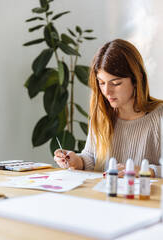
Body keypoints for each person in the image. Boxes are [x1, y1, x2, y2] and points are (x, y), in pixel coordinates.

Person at [54, 39, 163, 178]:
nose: (107, 91)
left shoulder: (159, 117)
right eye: (101, 83)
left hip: (142, 198)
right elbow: (91, 158)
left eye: (116, 83)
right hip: (103, 197)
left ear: (136, 79)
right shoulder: (101, 113)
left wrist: (145, 171)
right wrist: (77, 161)